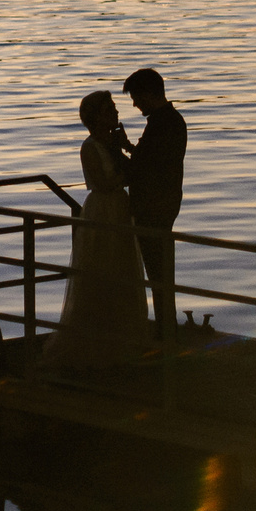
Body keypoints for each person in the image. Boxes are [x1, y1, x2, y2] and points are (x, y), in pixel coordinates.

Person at [39, 91, 150, 371]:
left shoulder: (112, 143)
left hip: (120, 207)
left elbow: (133, 170)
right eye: (109, 109)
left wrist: (125, 147)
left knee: (123, 266)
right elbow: (102, 182)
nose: (116, 112)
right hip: (102, 208)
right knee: (101, 266)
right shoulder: (90, 147)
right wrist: (127, 170)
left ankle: (123, 337)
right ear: (96, 116)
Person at [120, 67, 186, 342]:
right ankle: (165, 326)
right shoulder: (170, 121)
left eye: (136, 97)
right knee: (159, 271)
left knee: (158, 272)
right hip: (164, 204)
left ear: (149, 94)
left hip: (154, 208)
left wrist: (115, 151)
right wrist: (128, 147)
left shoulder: (162, 124)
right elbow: (151, 161)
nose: (135, 104)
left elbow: (142, 170)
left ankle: (165, 330)